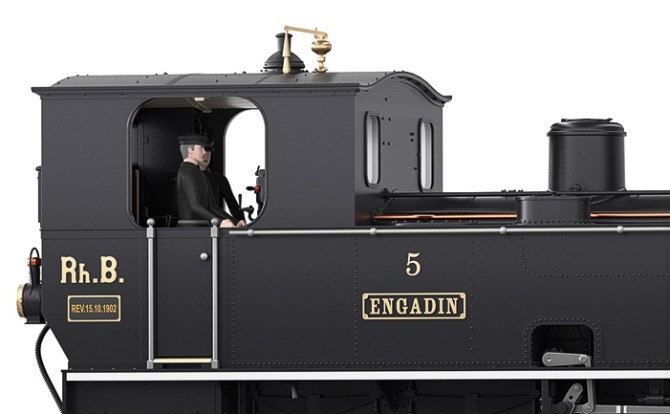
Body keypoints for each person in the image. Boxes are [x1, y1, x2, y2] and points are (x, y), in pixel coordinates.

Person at [175, 133, 244, 228]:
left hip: (203, 227)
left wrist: (235, 222)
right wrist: (219, 222)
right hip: (190, 228)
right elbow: (195, 206)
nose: (204, 152)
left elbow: (212, 207)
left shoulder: (199, 173)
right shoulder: (187, 172)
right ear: (190, 150)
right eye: (201, 149)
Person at [199, 146, 247, 226]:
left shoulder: (218, 178)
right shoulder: (189, 176)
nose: (206, 155)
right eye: (202, 151)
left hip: (215, 224)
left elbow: (233, 205)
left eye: (208, 152)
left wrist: (240, 221)